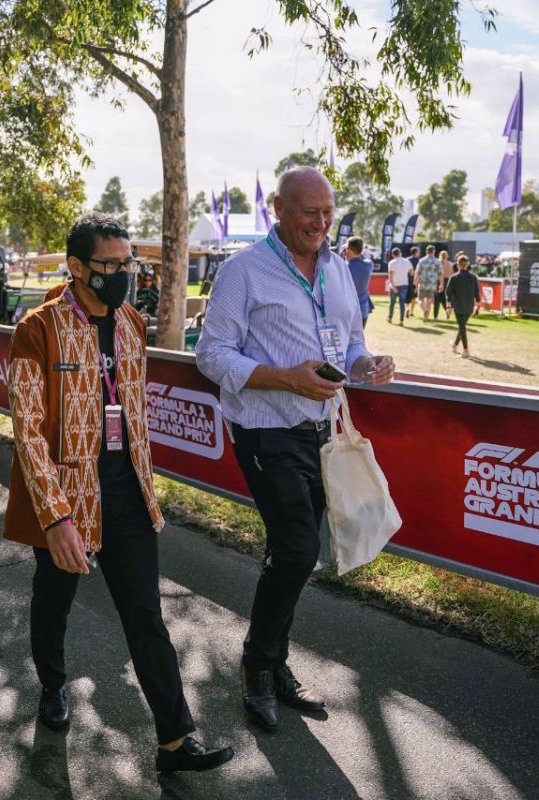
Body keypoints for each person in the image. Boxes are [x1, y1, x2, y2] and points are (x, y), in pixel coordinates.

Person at [4, 212, 234, 773]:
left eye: (127, 263)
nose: (123, 274)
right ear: (77, 267)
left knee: (146, 617)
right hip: (67, 501)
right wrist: (57, 518)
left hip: (128, 496)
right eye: (110, 265)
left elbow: (130, 412)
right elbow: (27, 431)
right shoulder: (37, 328)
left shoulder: (131, 323)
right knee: (53, 603)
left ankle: (175, 741)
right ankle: (53, 685)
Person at [195, 167, 395, 732]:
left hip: (322, 432)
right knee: (297, 548)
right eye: (310, 212)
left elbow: (350, 339)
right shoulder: (243, 271)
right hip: (265, 430)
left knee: (295, 554)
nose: (322, 222)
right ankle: (258, 668)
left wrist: (366, 364)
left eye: (328, 211)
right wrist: (287, 378)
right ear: (278, 209)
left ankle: (275, 665)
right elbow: (212, 356)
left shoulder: (336, 268)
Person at [444, 255, 481, 358]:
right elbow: (477, 293)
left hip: (458, 306)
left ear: (458, 264)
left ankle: (465, 350)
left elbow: (448, 293)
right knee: (462, 327)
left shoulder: (454, 277)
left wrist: (448, 306)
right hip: (469, 307)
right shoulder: (473, 277)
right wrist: (478, 306)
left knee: (462, 327)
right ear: (467, 264)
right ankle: (455, 345)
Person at [345, 236, 374, 326]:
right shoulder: (369, 264)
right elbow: (364, 259)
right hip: (363, 311)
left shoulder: (344, 267)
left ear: (349, 250)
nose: (345, 252)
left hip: (348, 313)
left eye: (346, 249)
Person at [386, 247, 412, 325]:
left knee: (392, 303)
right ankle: (401, 320)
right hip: (404, 284)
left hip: (394, 284)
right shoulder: (407, 261)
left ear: (393, 255)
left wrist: (393, 286)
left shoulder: (392, 263)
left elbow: (390, 276)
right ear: (400, 253)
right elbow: (412, 272)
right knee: (402, 303)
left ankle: (390, 318)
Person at [416, 245, 442, 321]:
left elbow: (417, 272)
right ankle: (426, 316)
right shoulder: (437, 261)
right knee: (429, 300)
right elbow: (440, 273)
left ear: (426, 251)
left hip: (423, 282)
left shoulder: (421, 260)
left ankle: (425, 311)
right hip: (432, 284)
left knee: (420, 299)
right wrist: (441, 284)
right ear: (434, 251)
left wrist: (415, 282)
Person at [434, 250, 453, 319]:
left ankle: (435, 315)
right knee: (445, 298)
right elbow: (451, 274)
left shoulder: (438, 263)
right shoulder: (450, 264)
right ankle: (447, 310)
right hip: (448, 281)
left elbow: (436, 274)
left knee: (437, 299)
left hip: (439, 281)